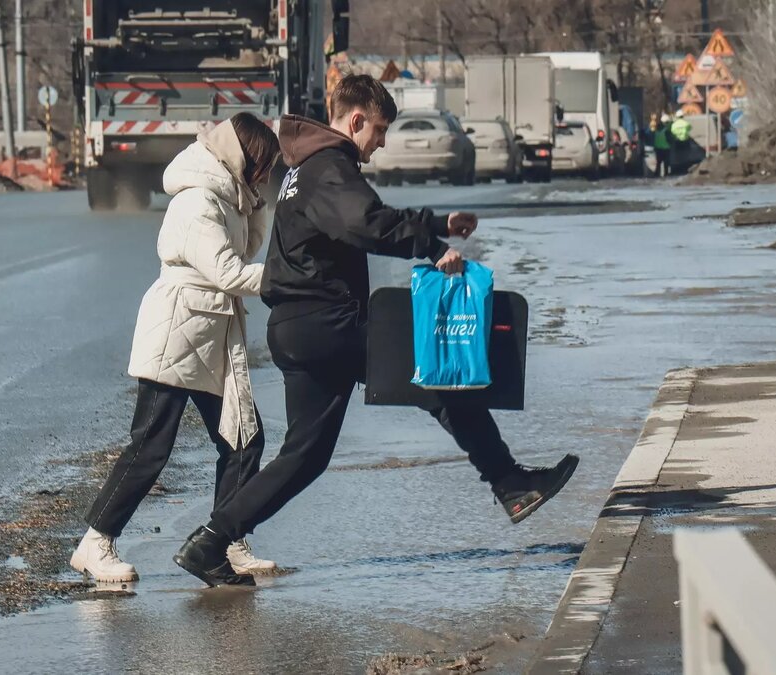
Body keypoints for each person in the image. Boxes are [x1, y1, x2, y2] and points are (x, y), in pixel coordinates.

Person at [171, 75, 580, 587]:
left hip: (299, 327)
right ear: (356, 120)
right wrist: (431, 246)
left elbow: (366, 216)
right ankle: (510, 483)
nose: (382, 143)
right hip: (327, 321)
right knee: (434, 373)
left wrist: (433, 224)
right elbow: (362, 222)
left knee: (305, 456)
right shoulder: (328, 165)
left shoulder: (308, 168)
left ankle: (210, 541)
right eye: (380, 130)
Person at [70, 113, 281, 583]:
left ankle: (226, 540)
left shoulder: (231, 197)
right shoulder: (198, 201)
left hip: (213, 334)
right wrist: (289, 279)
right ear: (243, 158)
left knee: (244, 440)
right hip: (177, 330)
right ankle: (94, 543)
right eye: (263, 165)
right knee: (150, 446)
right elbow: (229, 272)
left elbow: (247, 251)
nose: (267, 175)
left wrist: (257, 205)